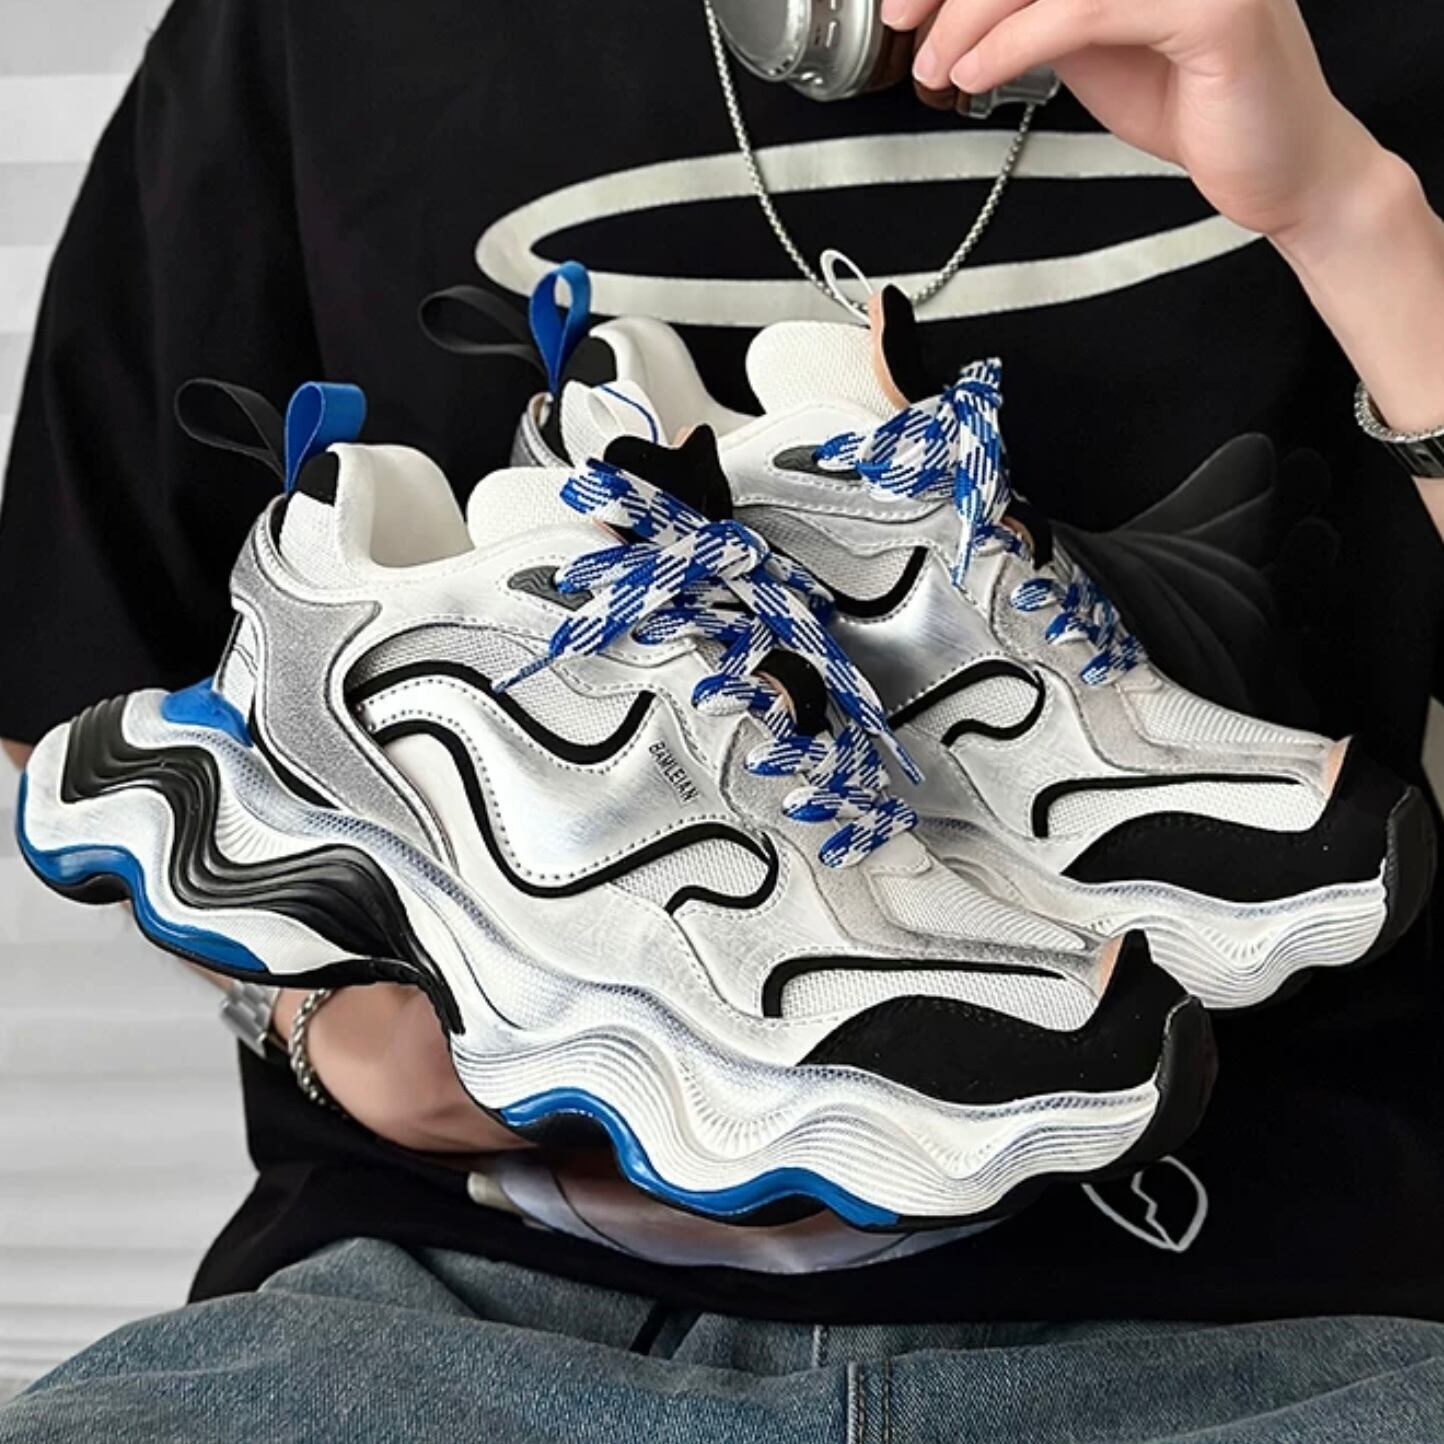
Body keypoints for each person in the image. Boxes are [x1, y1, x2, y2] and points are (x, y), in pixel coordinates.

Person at [2, 0, 1443, 1437]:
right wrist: (318, 1020)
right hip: (439, 1303)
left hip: (1265, 1305)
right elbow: (65, 668)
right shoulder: (313, 36)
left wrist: (1344, 206)